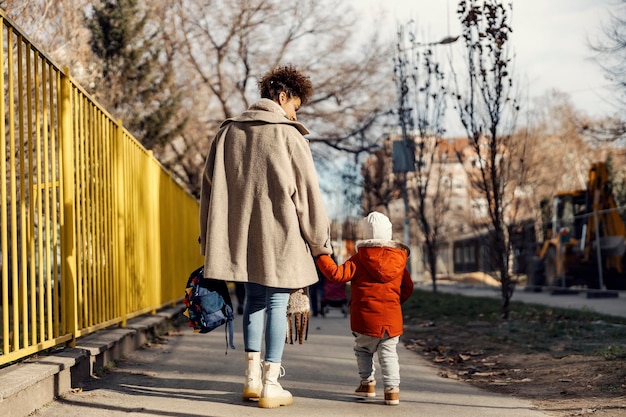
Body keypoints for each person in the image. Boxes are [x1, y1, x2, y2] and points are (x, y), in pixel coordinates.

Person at [199, 65, 332, 409]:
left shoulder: (227, 133)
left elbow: (209, 192)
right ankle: (272, 384)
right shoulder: (289, 135)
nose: (294, 114)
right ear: (282, 96)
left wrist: (208, 239)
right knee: (276, 303)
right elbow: (308, 195)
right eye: (295, 107)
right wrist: (321, 244)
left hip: (240, 238)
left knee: (253, 300)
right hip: (281, 235)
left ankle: (251, 380)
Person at [315, 211, 413, 406]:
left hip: (365, 318)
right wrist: (394, 303)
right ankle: (392, 391)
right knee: (389, 352)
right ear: (389, 233)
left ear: (365, 234)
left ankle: (367, 384)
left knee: (363, 350)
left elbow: (336, 275)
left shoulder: (359, 259)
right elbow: (408, 288)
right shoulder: (399, 260)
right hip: (391, 318)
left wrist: (321, 256)